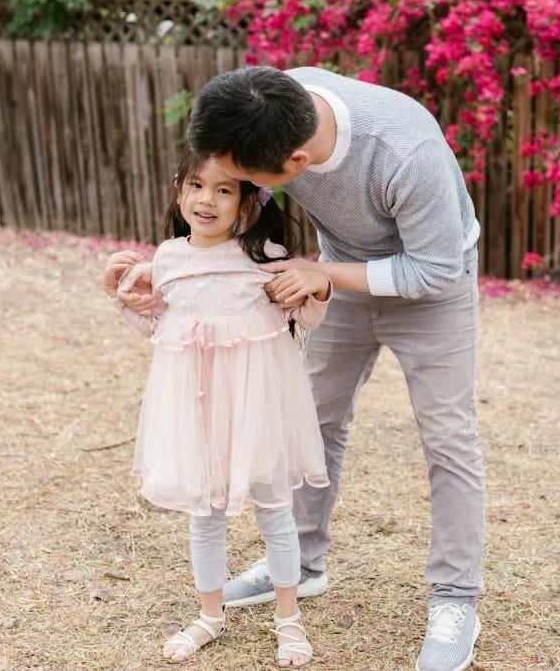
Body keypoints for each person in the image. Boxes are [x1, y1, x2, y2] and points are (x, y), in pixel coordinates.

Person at [188, 65, 486, 671]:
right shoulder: (269, 104)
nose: (234, 186)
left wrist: (324, 273)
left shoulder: (405, 151)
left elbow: (433, 269)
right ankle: (298, 563)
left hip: (434, 283)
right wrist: (167, 272)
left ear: (297, 162)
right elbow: (227, 206)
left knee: (448, 441)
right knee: (311, 423)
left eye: (246, 179)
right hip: (335, 276)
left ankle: (455, 601)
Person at [102, 150, 333, 667]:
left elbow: (308, 317)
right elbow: (160, 331)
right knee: (204, 513)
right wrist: (122, 297)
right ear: (180, 191)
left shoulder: (264, 256)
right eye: (196, 186)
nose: (207, 199)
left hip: (257, 407)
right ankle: (209, 615)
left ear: (247, 204)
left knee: (275, 510)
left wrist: (316, 286)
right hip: (195, 406)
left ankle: (288, 618)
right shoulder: (167, 259)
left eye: (224, 190)